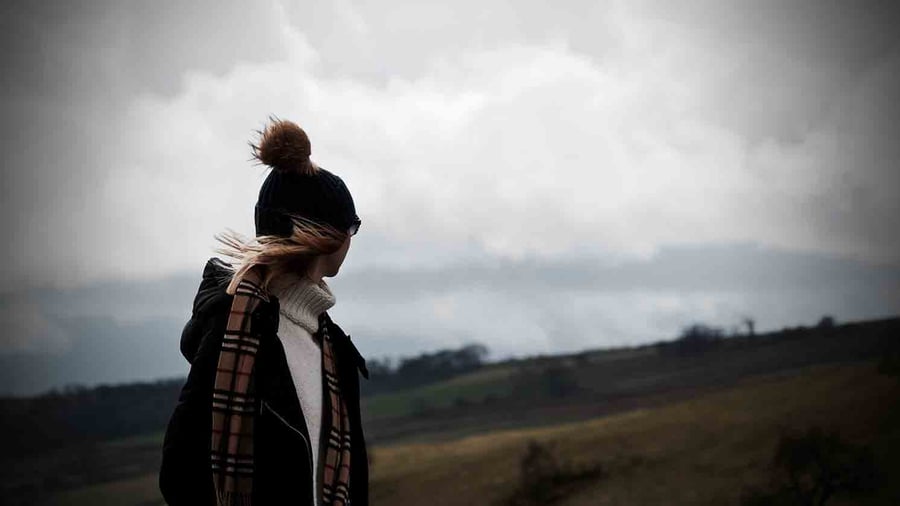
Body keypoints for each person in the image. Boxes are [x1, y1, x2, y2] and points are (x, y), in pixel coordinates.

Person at [159, 117, 370, 506]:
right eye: (352, 227)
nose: (352, 239)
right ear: (328, 236)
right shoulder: (235, 329)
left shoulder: (333, 349)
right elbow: (180, 473)